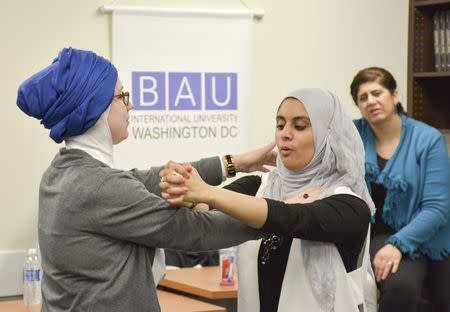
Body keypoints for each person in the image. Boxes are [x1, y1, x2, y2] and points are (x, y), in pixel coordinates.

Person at [16, 47, 277, 312]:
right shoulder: (101, 187)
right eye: (122, 96)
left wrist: (237, 163)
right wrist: (282, 215)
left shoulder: (62, 171)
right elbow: (198, 230)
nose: (131, 104)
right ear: (95, 108)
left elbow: (151, 178)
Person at [161, 88, 377, 312]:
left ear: (328, 136)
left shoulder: (348, 204)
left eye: (300, 126)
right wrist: (181, 188)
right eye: (280, 125)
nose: (285, 134)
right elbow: (204, 208)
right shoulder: (260, 186)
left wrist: (208, 192)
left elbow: (290, 218)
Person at [350, 67, 450, 312]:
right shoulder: (352, 135)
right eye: (363, 97)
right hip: (381, 233)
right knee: (402, 288)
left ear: (394, 96)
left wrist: (399, 244)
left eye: (377, 93)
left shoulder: (428, 139)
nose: (371, 101)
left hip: (433, 233)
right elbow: (316, 147)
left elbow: (437, 208)